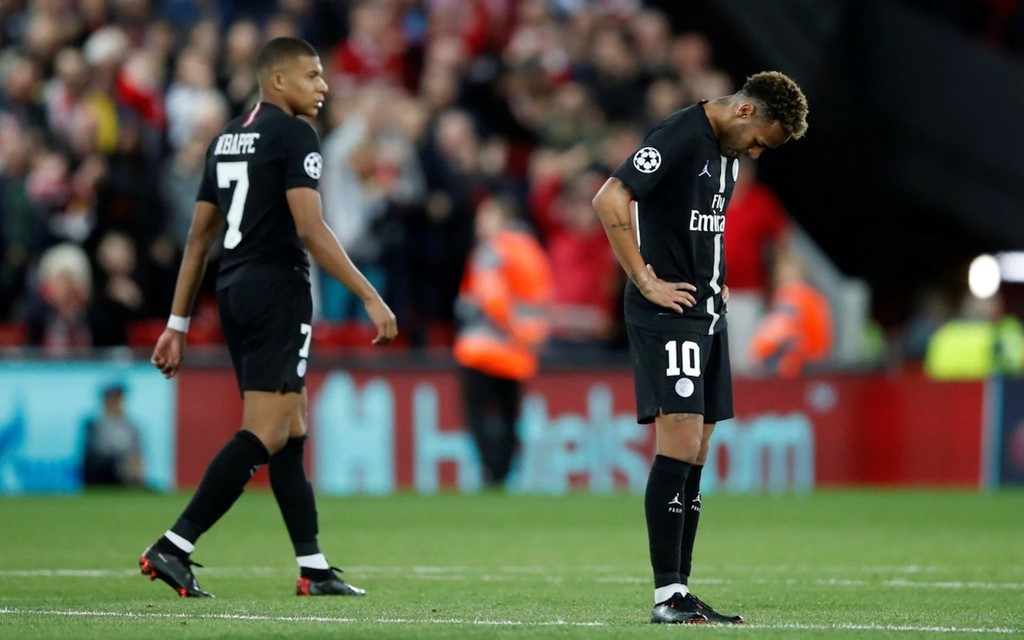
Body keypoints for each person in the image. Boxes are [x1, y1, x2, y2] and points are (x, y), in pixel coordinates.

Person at [141, 37, 397, 599]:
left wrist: (177, 323)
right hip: (278, 289)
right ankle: (174, 545)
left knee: (292, 427)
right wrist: (368, 294)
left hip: (233, 290)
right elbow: (310, 228)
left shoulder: (225, 138)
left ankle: (313, 566)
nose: (323, 86)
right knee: (266, 429)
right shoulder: (296, 135)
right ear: (278, 81)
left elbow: (198, 237)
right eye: (312, 76)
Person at [592, 71, 808, 624]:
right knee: (679, 439)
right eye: (762, 139)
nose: (757, 151)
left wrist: (715, 277)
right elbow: (609, 197)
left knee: (699, 448)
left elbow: (701, 228)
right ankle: (666, 596)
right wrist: (644, 279)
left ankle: (681, 591)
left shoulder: (728, 153)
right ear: (743, 112)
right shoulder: (680, 135)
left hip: (708, 313)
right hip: (669, 314)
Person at [453, 195, 552, 488]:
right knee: (509, 416)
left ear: (502, 217)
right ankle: (506, 472)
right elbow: (543, 299)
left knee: (478, 416)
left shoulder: (492, 250)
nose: (478, 223)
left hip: (482, 349)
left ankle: (492, 474)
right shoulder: (533, 249)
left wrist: (511, 330)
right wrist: (529, 337)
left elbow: (492, 298)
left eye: (485, 216)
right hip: (519, 353)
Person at [749, 248, 833, 377]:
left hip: (800, 364)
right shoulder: (815, 296)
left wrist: (757, 354)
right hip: (816, 361)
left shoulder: (792, 294)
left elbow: (776, 333)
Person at [82, 382, 143, 487]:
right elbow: (96, 454)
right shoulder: (94, 425)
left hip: (126, 472)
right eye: (111, 400)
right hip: (103, 473)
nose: (115, 403)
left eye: (118, 399)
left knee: (134, 463)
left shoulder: (131, 427)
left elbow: (137, 453)